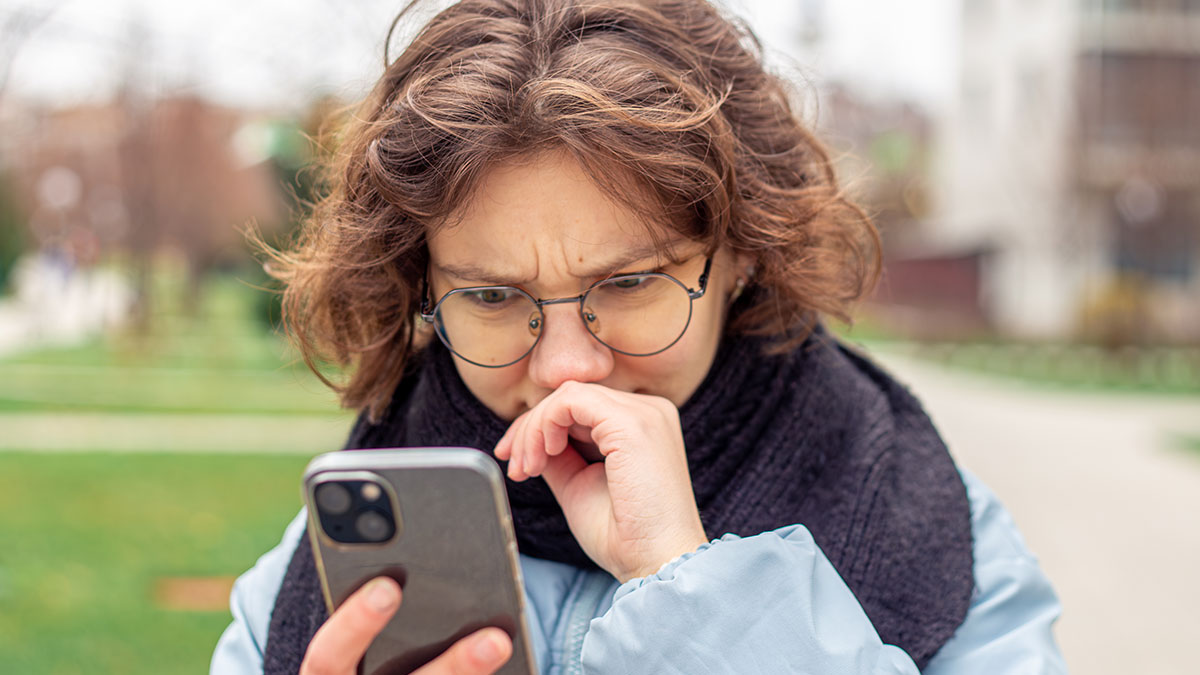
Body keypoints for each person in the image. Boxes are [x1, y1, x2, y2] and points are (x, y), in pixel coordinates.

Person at [212, 0, 1067, 673]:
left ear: (741, 255)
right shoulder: (325, 569)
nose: (567, 367)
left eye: (628, 283)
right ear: (421, 289)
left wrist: (687, 586)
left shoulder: (932, 529)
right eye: (492, 296)